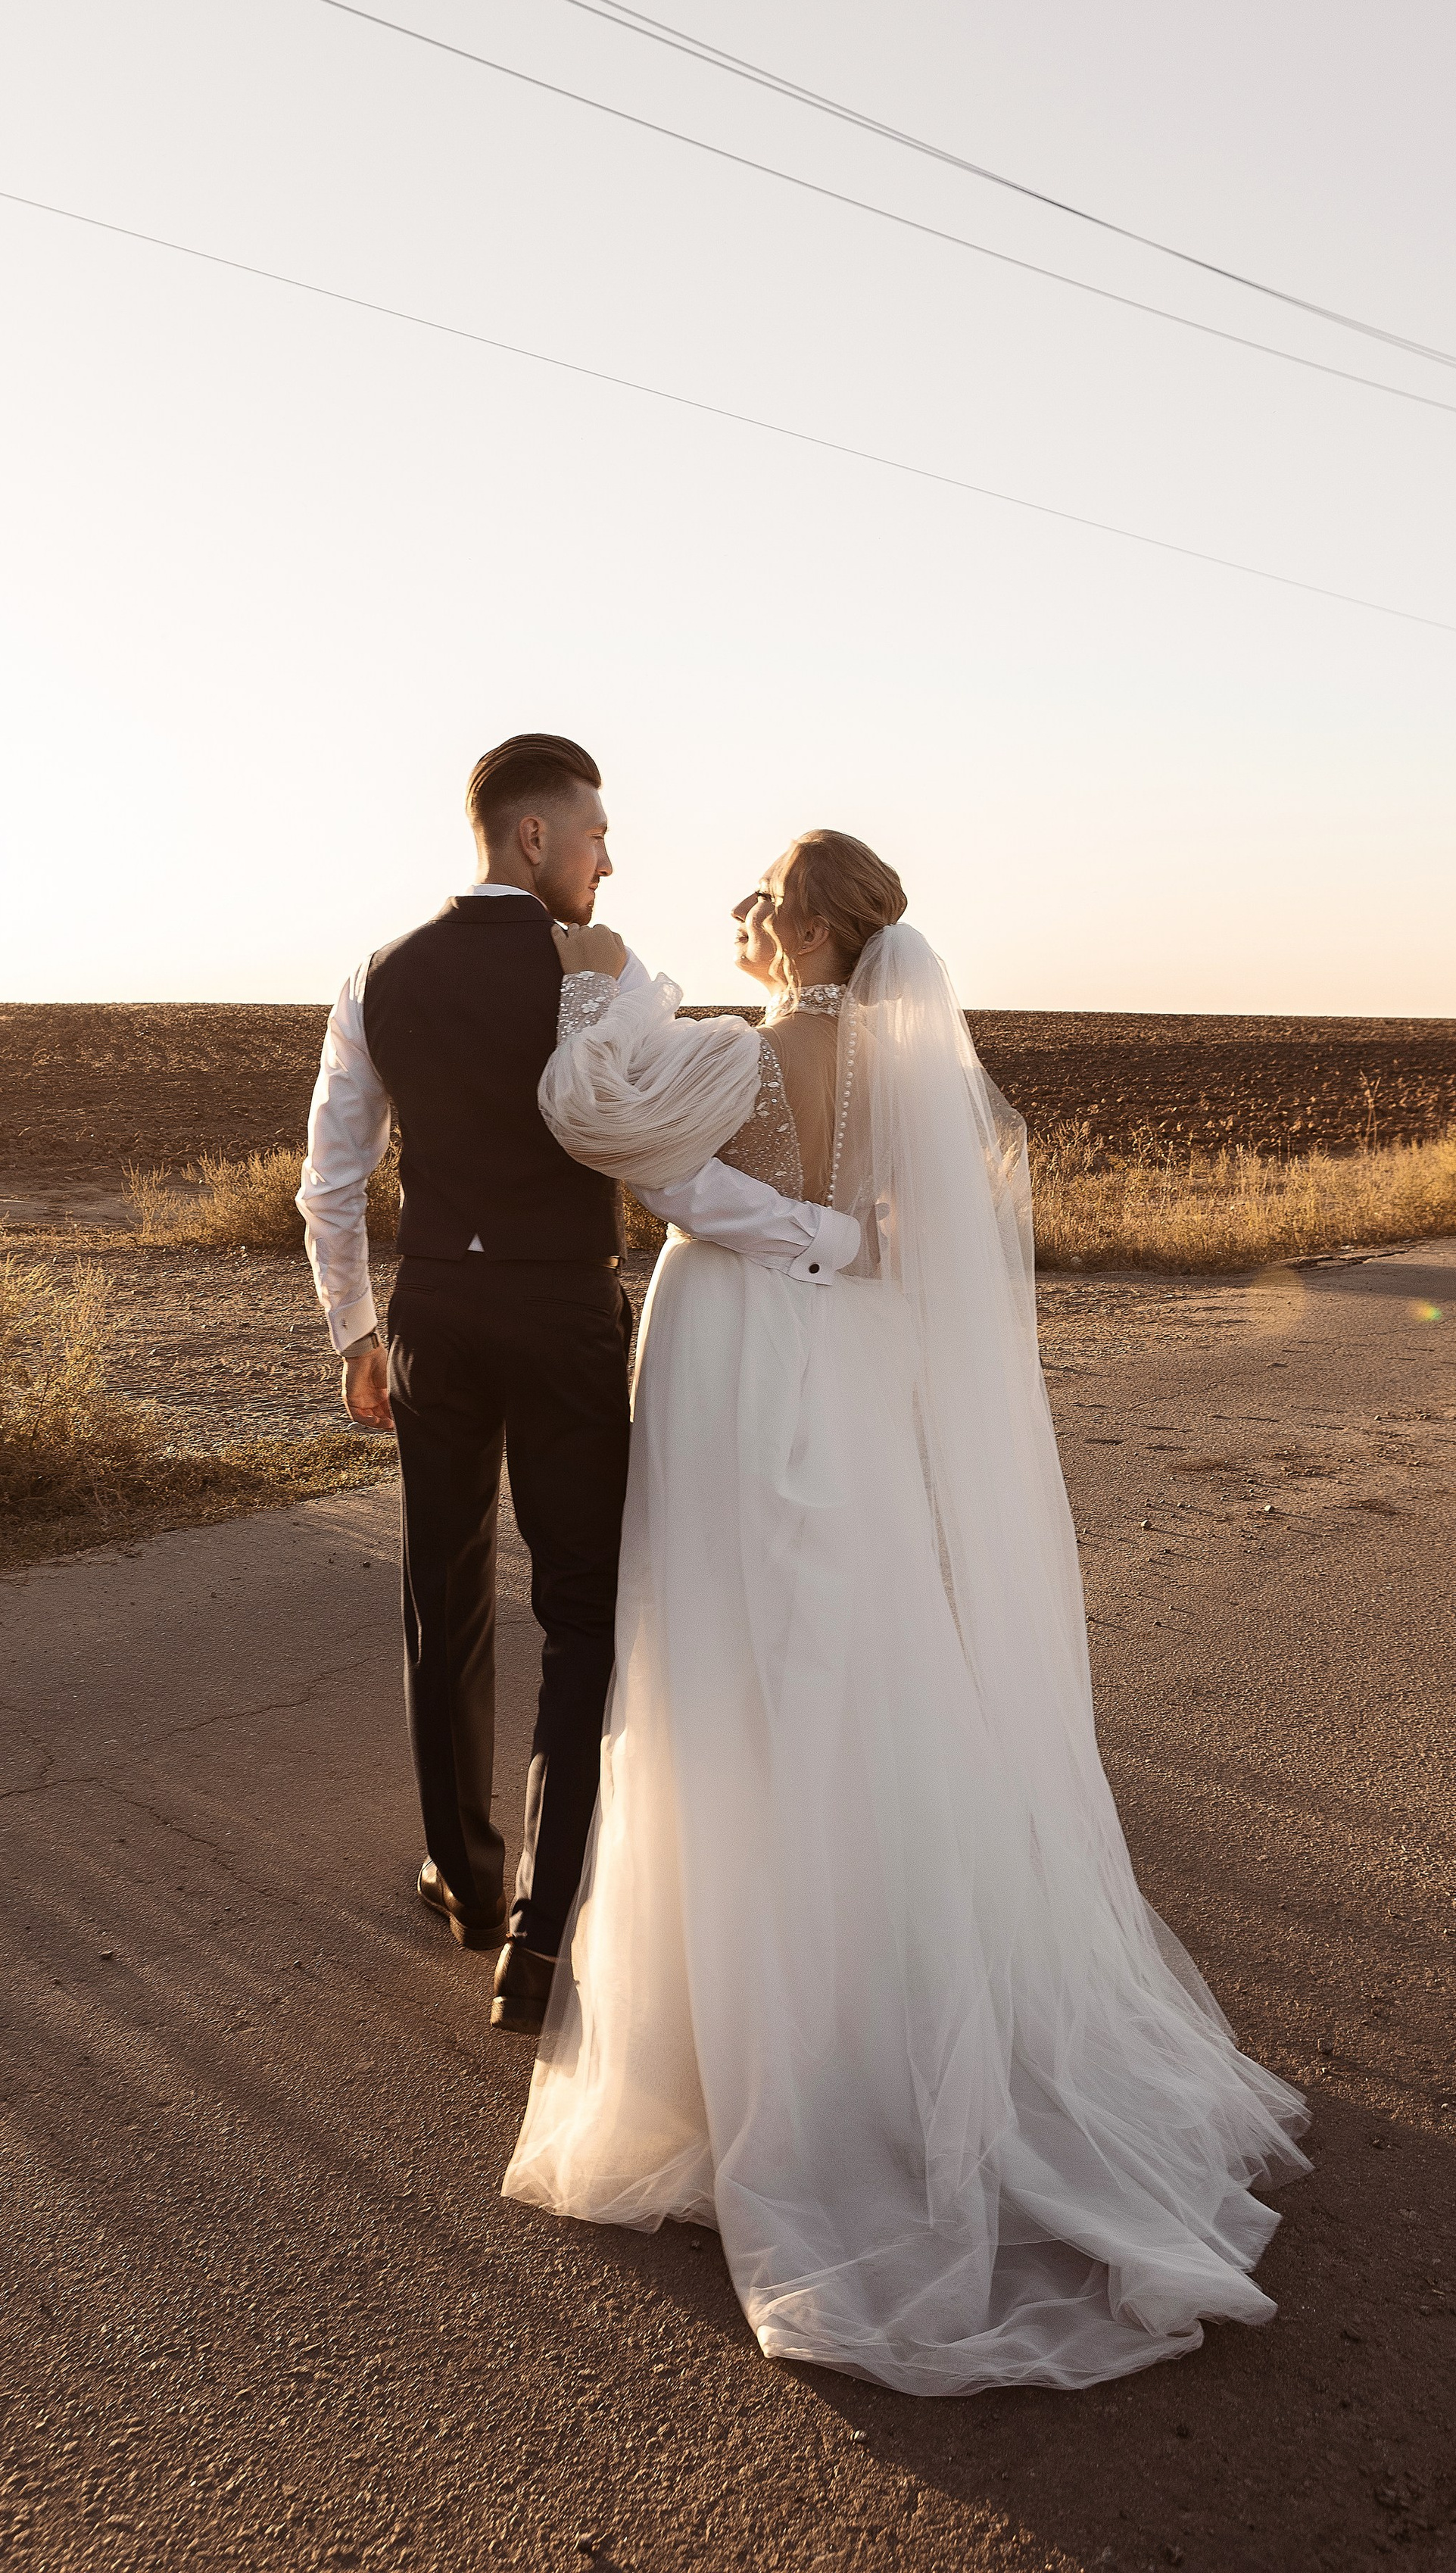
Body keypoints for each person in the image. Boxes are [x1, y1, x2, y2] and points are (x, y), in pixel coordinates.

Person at [502, 831, 1311, 2391]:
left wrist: (598, 996)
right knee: (862, 1659)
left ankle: (746, 2054)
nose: (747, 918)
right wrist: (828, 1243)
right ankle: (883, 2010)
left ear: (798, 924)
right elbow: (893, 1245)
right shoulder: (908, 1072)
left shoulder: (736, 1052)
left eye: (760, 900)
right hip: (855, 1381)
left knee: (727, 1669)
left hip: (737, 1364)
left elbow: (642, 1162)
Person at [297, 742, 872, 2033]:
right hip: (562, 1317)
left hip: (437, 1314)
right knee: (582, 1608)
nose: (611, 860)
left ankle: (465, 1873)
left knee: (439, 1588)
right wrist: (821, 1241)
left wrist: (356, 1337)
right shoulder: (602, 976)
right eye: (597, 835)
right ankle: (546, 1936)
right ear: (532, 841)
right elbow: (661, 1157)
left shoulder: (377, 977)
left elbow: (330, 1182)